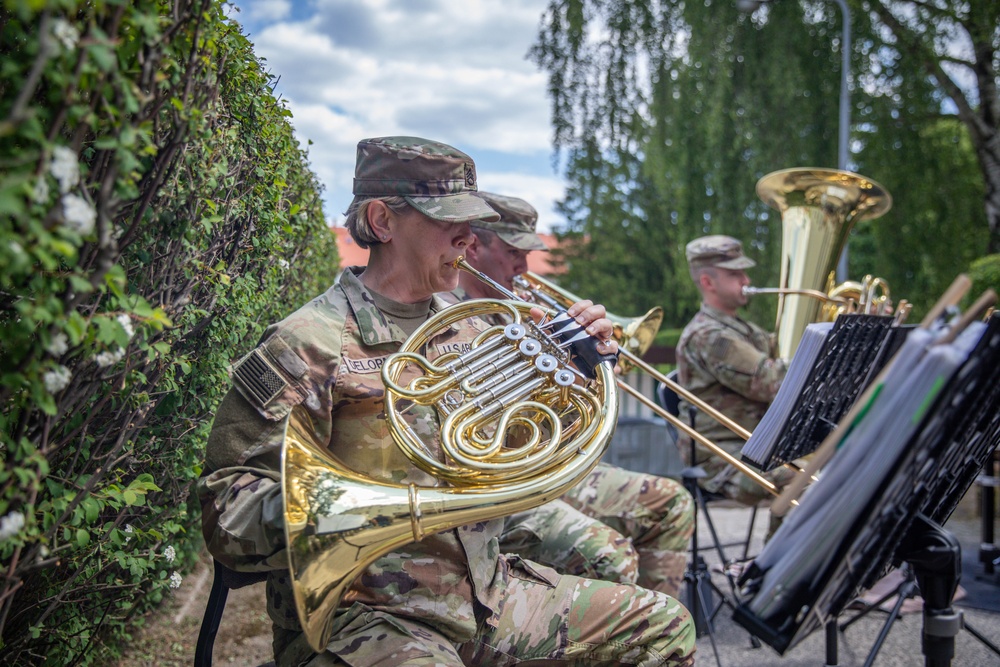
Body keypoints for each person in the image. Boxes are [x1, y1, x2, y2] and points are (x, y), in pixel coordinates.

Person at [197, 136, 695, 667]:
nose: (467, 235)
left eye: (471, 220)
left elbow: (522, 447)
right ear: (382, 221)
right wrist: (357, 508)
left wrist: (573, 375)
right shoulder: (307, 343)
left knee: (662, 626)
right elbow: (227, 509)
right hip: (368, 617)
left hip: (483, 592)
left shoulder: (476, 330)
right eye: (447, 218)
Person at [446, 191, 694, 599]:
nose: (523, 266)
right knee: (609, 556)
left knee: (672, 501)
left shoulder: (524, 310)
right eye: (512, 251)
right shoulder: (453, 314)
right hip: (504, 478)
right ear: (473, 246)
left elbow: (568, 413)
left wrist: (593, 368)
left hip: (546, 464)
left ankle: (650, 625)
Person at [675, 235, 793, 522]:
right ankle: (780, 568)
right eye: (734, 273)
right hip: (724, 456)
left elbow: (789, 355)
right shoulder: (710, 336)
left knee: (842, 463)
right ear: (708, 282)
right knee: (801, 483)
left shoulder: (743, 329)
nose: (745, 278)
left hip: (758, 445)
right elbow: (772, 382)